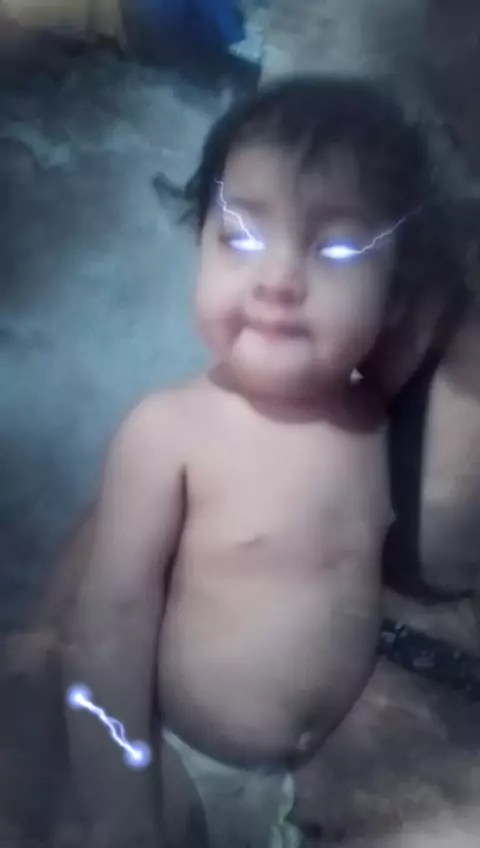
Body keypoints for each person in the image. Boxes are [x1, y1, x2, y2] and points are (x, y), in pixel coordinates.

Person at [61, 75, 464, 848]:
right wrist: (121, 802)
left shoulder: (373, 414)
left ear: (395, 297)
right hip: (186, 757)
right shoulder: (168, 431)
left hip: (321, 770)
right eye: (240, 238)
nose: (277, 280)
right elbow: (109, 626)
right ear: (199, 242)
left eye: (337, 249)